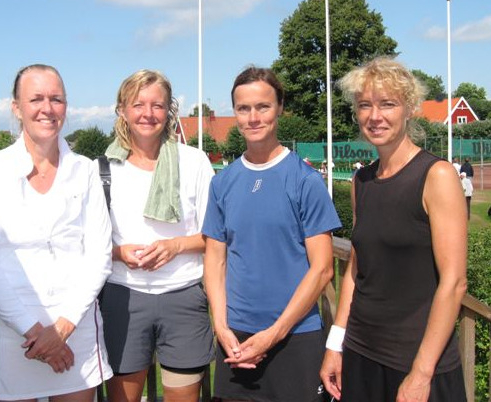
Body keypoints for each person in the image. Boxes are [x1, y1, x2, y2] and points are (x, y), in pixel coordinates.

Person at [320, 56, 467, 402]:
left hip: (417, 363)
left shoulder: (437, 176)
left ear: (409, 108)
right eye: (364, 105)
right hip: (361, 353)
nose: (375, 116)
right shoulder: (362, 180)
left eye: (387, 104)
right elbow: (358, 269)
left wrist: (421, 373)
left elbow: (454, 282)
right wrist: (336, 344)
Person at [0, 64, 113, 401]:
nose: (47, 108)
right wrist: (39, 335)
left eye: (56, 99)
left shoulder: (85, 170)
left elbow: (99, 256)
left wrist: (61, 330)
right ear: (16, 108)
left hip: (76, 331)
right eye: (36, 99)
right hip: (12, 335)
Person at [202, 66, 341, 402]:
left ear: (280, 107)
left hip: (294, 336)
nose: (253, 117)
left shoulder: (305, 180)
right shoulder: (223, 182)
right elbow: (215, 261)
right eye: (243, 108)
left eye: (262, 106)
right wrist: (221, 327)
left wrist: (272, 335)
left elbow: (322, 268)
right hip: (236, 339)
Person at [99, 69, 215, 402]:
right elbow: (88, 242)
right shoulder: (102, 168)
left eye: (157, 105)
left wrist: (176, 245)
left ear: (169, 110)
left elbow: (215, 236)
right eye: (138, 104)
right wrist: (119, 253)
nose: (148, 114)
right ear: (122, 110)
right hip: (123, 297)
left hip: (184, 297)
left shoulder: (194, 162)